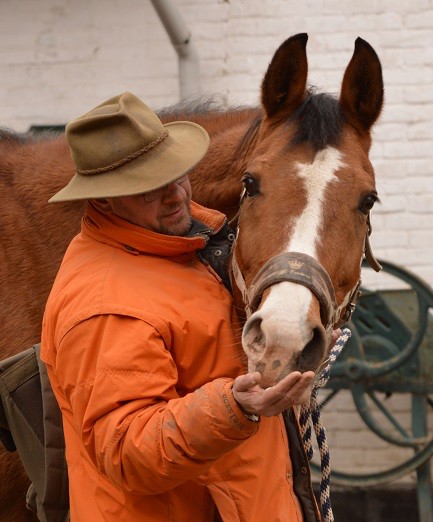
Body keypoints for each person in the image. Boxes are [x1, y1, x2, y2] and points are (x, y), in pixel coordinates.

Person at [41, 92, 321, 521]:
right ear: (103, 199)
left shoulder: (176, 248)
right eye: (148, 189)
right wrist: (235, 407)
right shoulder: (103, 308)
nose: (175, 195)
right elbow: (126, 452)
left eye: (177, 174)